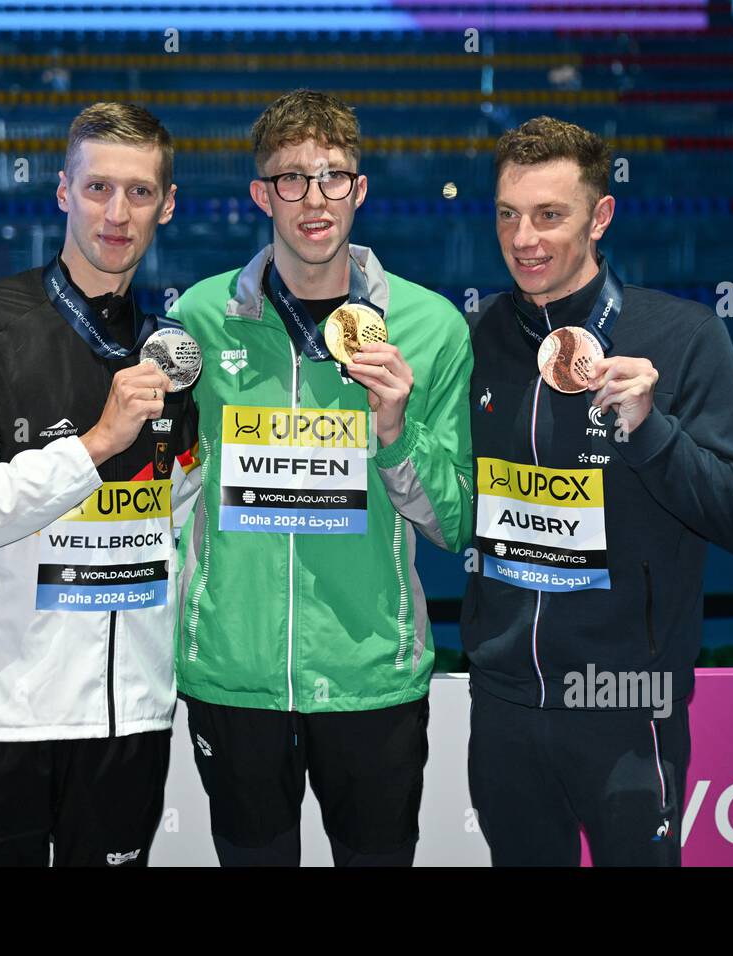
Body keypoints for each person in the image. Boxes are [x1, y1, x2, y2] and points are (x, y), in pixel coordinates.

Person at [0, 102, 198, 866]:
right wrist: (94, 445)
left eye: (139, 192)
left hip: (126, 722)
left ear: (168, 204)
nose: (116, 214)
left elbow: (175, 524)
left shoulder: (170, 352)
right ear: (63, 191)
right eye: (97, 189)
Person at [167, 89, 474, 866]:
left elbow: (456, 522)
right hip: (236, 679)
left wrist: (396, 433)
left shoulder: (430, 327)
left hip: (373, 678)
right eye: (290, 178)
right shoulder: (203, 319)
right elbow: (169, 486)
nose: (313, 198)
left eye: (333, 176)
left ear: (360, 189)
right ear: (259, 194)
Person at [462, 116, 733, 866]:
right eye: (508, 215)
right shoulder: (479, 339)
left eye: (549, 215)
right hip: (505, 707)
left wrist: (652, 431)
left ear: (601, 215)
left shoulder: (682, 336)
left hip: (625, 704)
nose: (524, 239)